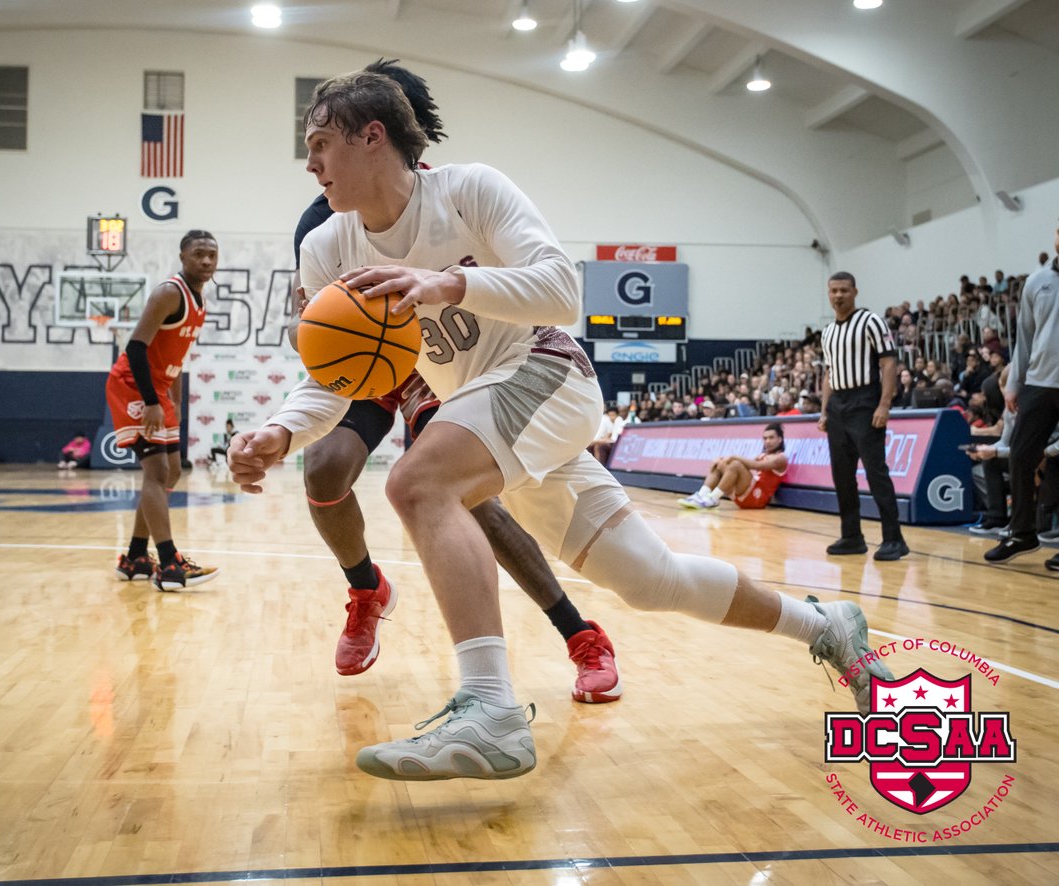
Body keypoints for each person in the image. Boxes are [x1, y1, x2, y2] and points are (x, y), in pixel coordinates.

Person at [229, 70, 892, 782]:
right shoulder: (328, 248)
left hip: (545, 371)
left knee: (419, 482)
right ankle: (825, 626)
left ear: (372, 137)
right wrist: (281, 432)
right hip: (487, 410)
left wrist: (448, 283)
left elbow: (562, 290)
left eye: (321, 143)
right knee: (649, 579)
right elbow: (339, 375)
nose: (310, 164)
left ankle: (490, 709)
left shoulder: (469, 191)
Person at [288, 59, 619, 701]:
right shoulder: (325, 227)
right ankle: (365, 590)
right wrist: (283, 422)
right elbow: (320, 326)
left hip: (435, 361)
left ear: (385, 136)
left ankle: (578, 633)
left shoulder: (457, 198)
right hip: (373, 356)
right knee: (323, 468)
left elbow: (544, 285)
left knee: (460, 494)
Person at [106, 230, 220, 591]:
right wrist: (153, 402)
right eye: (199, 254)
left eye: (212, 255)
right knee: (156, 471)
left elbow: (175, 358)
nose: (206, 261)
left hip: (159, 388)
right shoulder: (170, 293)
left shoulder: (198, 300)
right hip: (133, 385)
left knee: (170, 472)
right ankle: (170, 564)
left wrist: (176, 403)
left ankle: (136, 556)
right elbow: (136, 348)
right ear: (183, 257)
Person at [818, 272, 909, 561]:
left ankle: (894, 539)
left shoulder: (871, 321)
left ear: (855, 292)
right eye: (833, 290)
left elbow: (888, 363)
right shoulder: (828, 331)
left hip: (865, 401)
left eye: (844, 290)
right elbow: (829, 374)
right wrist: (824, 411)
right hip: (838, 406)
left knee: (875, 472)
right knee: (842, 475)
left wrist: (884, 404)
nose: (838, 295)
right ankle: (852, 536)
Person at [986, 223, 1059, 569]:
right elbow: (1025, 337)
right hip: (1039, 382)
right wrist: (1014, 383)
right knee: (1021, 455)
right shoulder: (1037, 281)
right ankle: (1022, 532)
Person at [677, 423, 789, 510]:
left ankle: (712, 498)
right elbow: (747, 467)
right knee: (719, 463)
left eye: (771, 438)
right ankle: (702, 495)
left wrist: (734, 457)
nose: (767, 441)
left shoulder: (781, 458)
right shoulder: (762, 455)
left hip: (757, 499)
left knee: (736, 464)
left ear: (780, 439)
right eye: (765, 438)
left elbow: (757, 466)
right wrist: (723, 462)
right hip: (744, 493)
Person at [968, 367, 1014, 536]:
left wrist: (994, 451)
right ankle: (997, 518)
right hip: (1023, 454)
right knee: (989, 461)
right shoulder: (1008, 409)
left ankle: (1022, 523)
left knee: (1019, 463)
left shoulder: (1031, 404)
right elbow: (1005, 441)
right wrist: (990, 450)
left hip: (1042, 456)